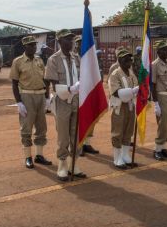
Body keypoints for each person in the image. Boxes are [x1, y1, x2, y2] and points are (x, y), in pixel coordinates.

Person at [44, 29, 86, 181]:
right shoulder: (53, 60)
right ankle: (62, 166)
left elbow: (83, 76)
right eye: (67, 40)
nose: (71, 42)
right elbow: (55, 87)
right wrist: (70, 89)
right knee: (63, 136)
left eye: (72, 40)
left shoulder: (77, 58)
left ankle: (74, 164)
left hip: (77, 100)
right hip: (62, 102)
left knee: (76, 134)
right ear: (60, 41)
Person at [9, 36, 53, 169]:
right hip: (27, 96)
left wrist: (47, 97)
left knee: (41, 127)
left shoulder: (39, 60)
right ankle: (28, 157)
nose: (34, 47)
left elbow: (46, 80)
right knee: (26, 128)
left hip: (40, 95)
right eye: (31, 45)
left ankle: (39, 155)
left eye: (34, 45)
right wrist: (19, 103)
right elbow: (14, 83)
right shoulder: (18, 62)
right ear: (25, 47)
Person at [108, 48, 139, 169]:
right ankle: (117, 158)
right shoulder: (115, 74)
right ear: (119, 60)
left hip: (131, 106)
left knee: (128, 131)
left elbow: (137, 86)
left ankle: (125, 155)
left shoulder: (131, 74)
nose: (129, 61)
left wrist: (135, 91)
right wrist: (133, 91)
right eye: (125, 59)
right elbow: (116, 92)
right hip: (119, 107)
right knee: (118, 132)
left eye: (130, 59)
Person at [73, 34, 99, 155]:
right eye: (79, 43)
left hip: (88, 92)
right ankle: (79, 145)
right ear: (76, 45)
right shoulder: (72, 58)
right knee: (78, 120)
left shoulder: (90, 58)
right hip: (76, 93)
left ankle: (87, 143)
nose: (81, 45)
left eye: (83, 43)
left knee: (90, 118)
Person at [151, 40, 167, 161]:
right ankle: (157, 149)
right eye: (165, 49)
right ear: (159, 51)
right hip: (162, 96)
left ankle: (163, 146)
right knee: (163, 123)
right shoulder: (155, 65)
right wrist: (156, 103)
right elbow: (153, 84)